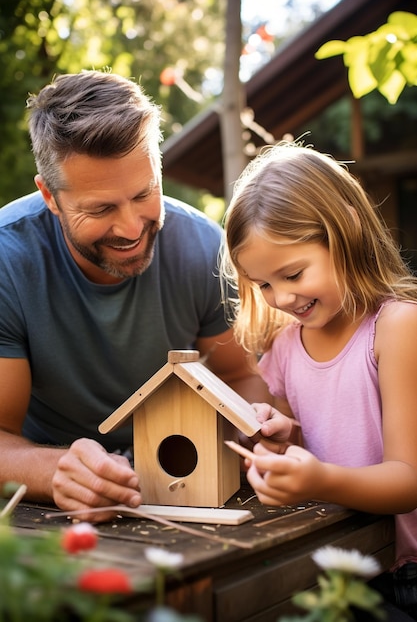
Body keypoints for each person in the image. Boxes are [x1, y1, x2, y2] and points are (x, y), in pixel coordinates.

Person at [0, 69, 270, 522]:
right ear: (49, 195)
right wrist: (56, 470)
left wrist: (250, 432)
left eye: (145, 193)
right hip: (44, 507)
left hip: (182, 489)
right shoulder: (8, 261)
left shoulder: (203, 248)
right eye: (101, 208)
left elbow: (241, 378)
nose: (130, 228)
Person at [221, 142, 417, 619]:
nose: (281, 297)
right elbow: (318, 443)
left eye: (292, 273)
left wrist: (318, 479)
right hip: (339, 559)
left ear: (345, 228)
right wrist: (282, 440)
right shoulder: (287, 347)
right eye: (263, 284)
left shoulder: (396, 329)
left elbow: (407, 480)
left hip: (404, 571)